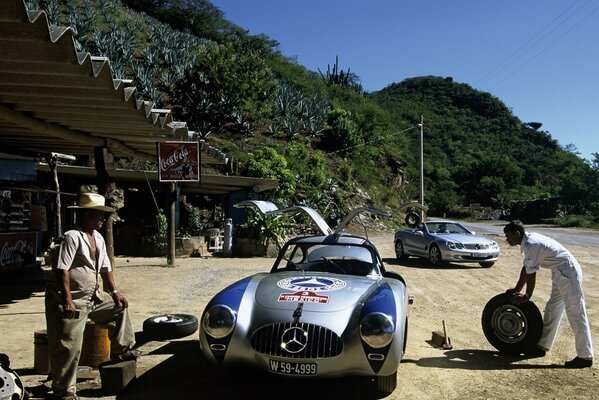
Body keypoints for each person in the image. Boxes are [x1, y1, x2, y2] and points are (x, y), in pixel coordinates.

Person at [45, 193, 140, 400]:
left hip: (92, 298)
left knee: (119, 310)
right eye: (98, 215)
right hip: (72, 300)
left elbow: (106, 270)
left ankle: (120, 351)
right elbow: (63, 270)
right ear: (87, 215)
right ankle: (64, 391)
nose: (102, 219)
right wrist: (67, 300)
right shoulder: (72, 237)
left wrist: (115, 293)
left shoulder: (98, 238)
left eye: (103, 216)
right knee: (68, 346)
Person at [503, 220, 593, 368]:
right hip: (560, 272)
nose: (507, 240)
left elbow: (531, 274)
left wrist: (527, 296)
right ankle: (541, 346)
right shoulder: (528, 242)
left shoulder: (531, 244)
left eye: (508, 236)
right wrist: (516, 288)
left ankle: (585, 356)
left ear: (517, 234)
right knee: (552, 308)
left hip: (567, 271)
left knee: (576, 312)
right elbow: (526, 268)